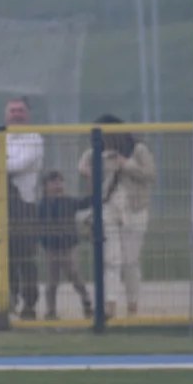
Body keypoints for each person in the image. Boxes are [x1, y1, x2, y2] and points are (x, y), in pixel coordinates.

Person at [77, 114, 155, 319]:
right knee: (111, 259)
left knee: (130, 261)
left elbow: (150, 174)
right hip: (109, 208)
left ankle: (132, 307)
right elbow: (83, 162)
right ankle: (109, 306)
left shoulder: (138, 149)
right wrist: (88, 171)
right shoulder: (99, 151)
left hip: (135, 209)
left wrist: (126, 164)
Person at [0, 97, 44, 320]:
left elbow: (19, 165)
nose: (16, 114)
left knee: (25, 258)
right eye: (12, 110)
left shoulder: (34, 139)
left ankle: (29, 303)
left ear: (27, 114)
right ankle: (7, 301)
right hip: (0, 206)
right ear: (6, 114)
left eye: (20, 110)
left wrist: (2, 162)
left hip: (25, 207)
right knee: (3, 257)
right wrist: (3, 163)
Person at [38, 171, 93, 320]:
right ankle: (51, 311)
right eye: (53, 182)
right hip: (51, 248)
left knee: (74, 274)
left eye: (60, 182)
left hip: (68, 247)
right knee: (52, 282)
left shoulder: (68, 202)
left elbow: (87, 202)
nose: (58, 185)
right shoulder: (42, 205)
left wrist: (91, 183)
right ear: (45, 186)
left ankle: (86, 301)